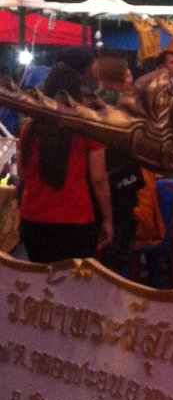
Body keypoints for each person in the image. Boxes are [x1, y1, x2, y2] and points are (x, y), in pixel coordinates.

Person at [17, 62, 113, 263]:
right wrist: (108, 219)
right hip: (74, 218)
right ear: (76, 92)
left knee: (42, 278)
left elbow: (22, 174)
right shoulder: (86, 128)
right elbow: (98, 179)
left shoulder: (29, 128)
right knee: (72, 280)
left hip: (33, 217)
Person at [92, 53, 145, 279]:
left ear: (96, 76)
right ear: (125, 76)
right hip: (122, 186)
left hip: (96, 190)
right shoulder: (127, 108)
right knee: (115, 258)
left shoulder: (89, 105)